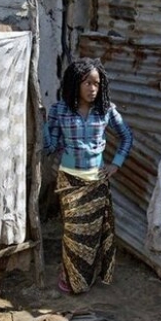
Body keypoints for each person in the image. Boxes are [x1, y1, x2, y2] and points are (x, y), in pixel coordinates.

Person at [43, 57, 133, 294]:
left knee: (92, 234)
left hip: (96, 181)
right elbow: (49, 145)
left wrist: (116, 165)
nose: (93, 88)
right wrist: (42, 125)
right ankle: (69, 274)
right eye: (87, 83)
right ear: (75, 83)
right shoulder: (59, 110)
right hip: (70, 181)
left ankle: (84, 275)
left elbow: (126, 137)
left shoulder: (106, 110)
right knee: (74, 232)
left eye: (97, 83)